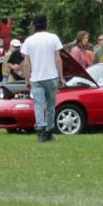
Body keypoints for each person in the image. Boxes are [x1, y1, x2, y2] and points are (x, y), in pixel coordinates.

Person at [21, 13, 64, 143]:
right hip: (51, 77)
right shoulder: (54, 38)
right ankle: (49, 131)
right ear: (46, 24)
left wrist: (27, 79)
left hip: (36, 78)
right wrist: (61, 77)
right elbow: (58, 59)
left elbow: (26, 63)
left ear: (34, 25)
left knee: (38, 105)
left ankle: (40, 131)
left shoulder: (29, 41)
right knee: (51, 106)